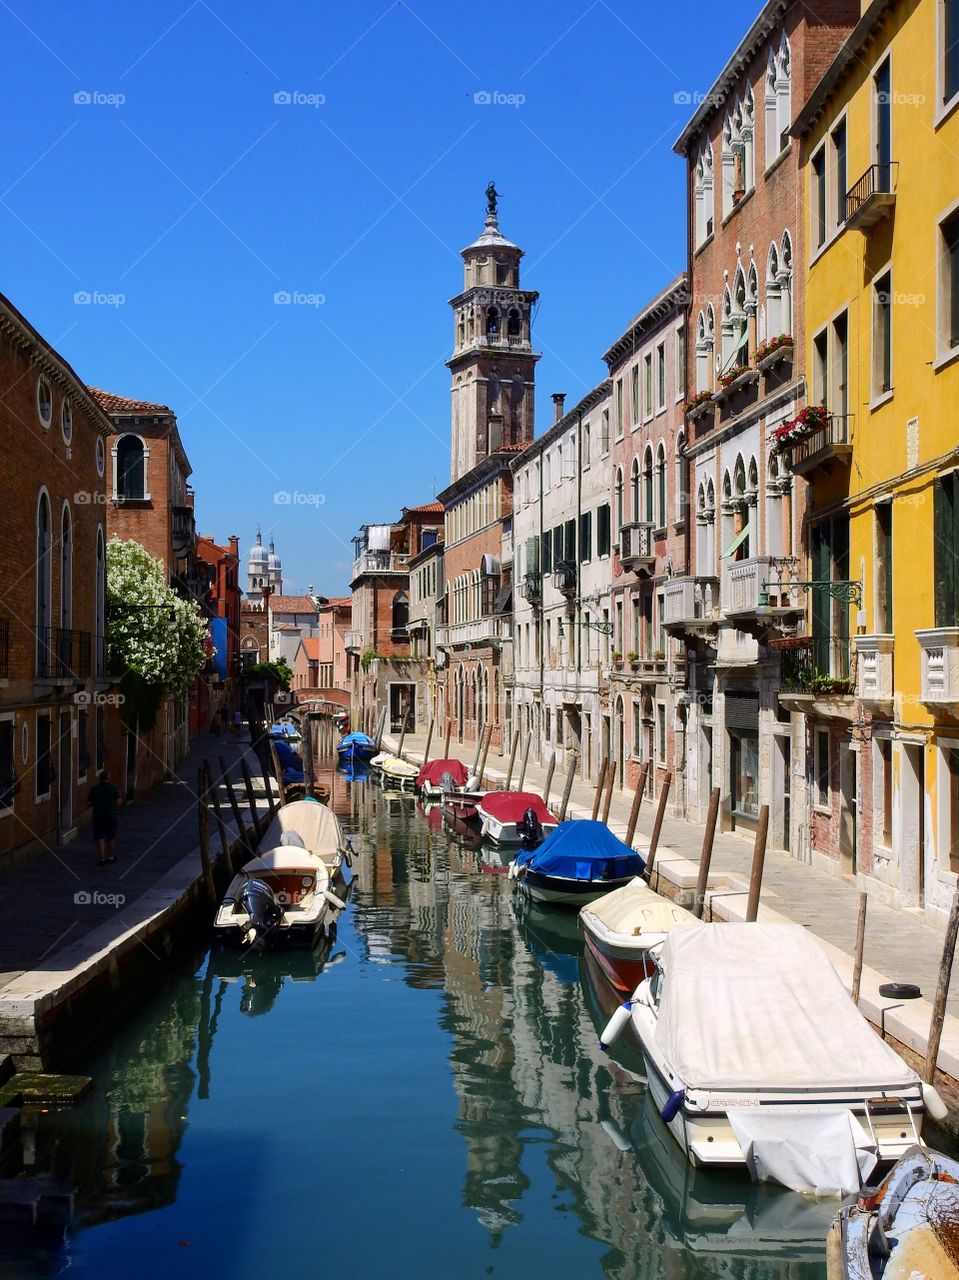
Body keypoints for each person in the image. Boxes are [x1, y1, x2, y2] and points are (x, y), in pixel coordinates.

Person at [88, 768, 123, 866]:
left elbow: (89, 803)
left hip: (98, 816)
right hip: (111, 816)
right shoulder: (113, 789)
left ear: (100, 778)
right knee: (111, 837)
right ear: (108, 778)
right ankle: (110, 857)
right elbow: (119, 802)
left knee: (100, 837)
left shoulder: (94, 789)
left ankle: (102, 859)